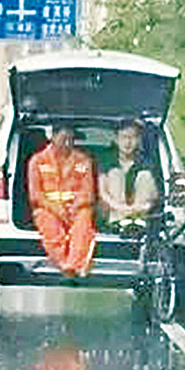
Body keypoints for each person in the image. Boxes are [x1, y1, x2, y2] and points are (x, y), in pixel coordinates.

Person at [27, 125, 97, 277]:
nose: (67, 143)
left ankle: (74, 265)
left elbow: (88, 192)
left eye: (71, 139)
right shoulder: (37, 160)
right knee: (50, 228)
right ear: (52, 137)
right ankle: (64, 265)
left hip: (77, 208)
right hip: (48, 208)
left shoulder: (84, 160)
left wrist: (75, 207)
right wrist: (55, 208)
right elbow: (35, 195)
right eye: (63, 138)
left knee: (83, 225)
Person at [99, 118, 158, 229]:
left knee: (145, 176)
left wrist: (139, 208)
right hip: (113, 210)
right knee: (116, 174)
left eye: (132, 137)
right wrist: (121, 208)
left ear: (138, 140)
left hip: (139, 210)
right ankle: (118, 221)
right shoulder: (107, 160)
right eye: (124, 137)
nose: (128, 142)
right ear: (116, 139)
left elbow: (154, 194)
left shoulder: (146, 162)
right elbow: (102, 193)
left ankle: (138, 221)